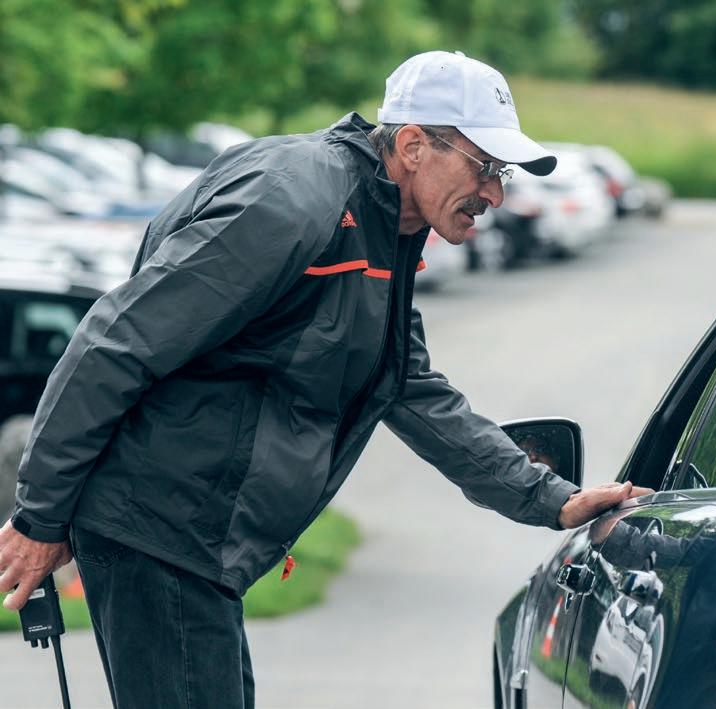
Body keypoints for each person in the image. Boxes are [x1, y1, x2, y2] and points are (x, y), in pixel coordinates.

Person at [0, 50, 647, 708]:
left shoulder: (384, 229)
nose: (495, 194)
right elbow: (117, 342)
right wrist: (39, 517)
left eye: (501, 173)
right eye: (484, 167)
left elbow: (412, 390)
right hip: (160, 530)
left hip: (195, 546)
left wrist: (551, 499)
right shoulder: (294, 201)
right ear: (414, 146)